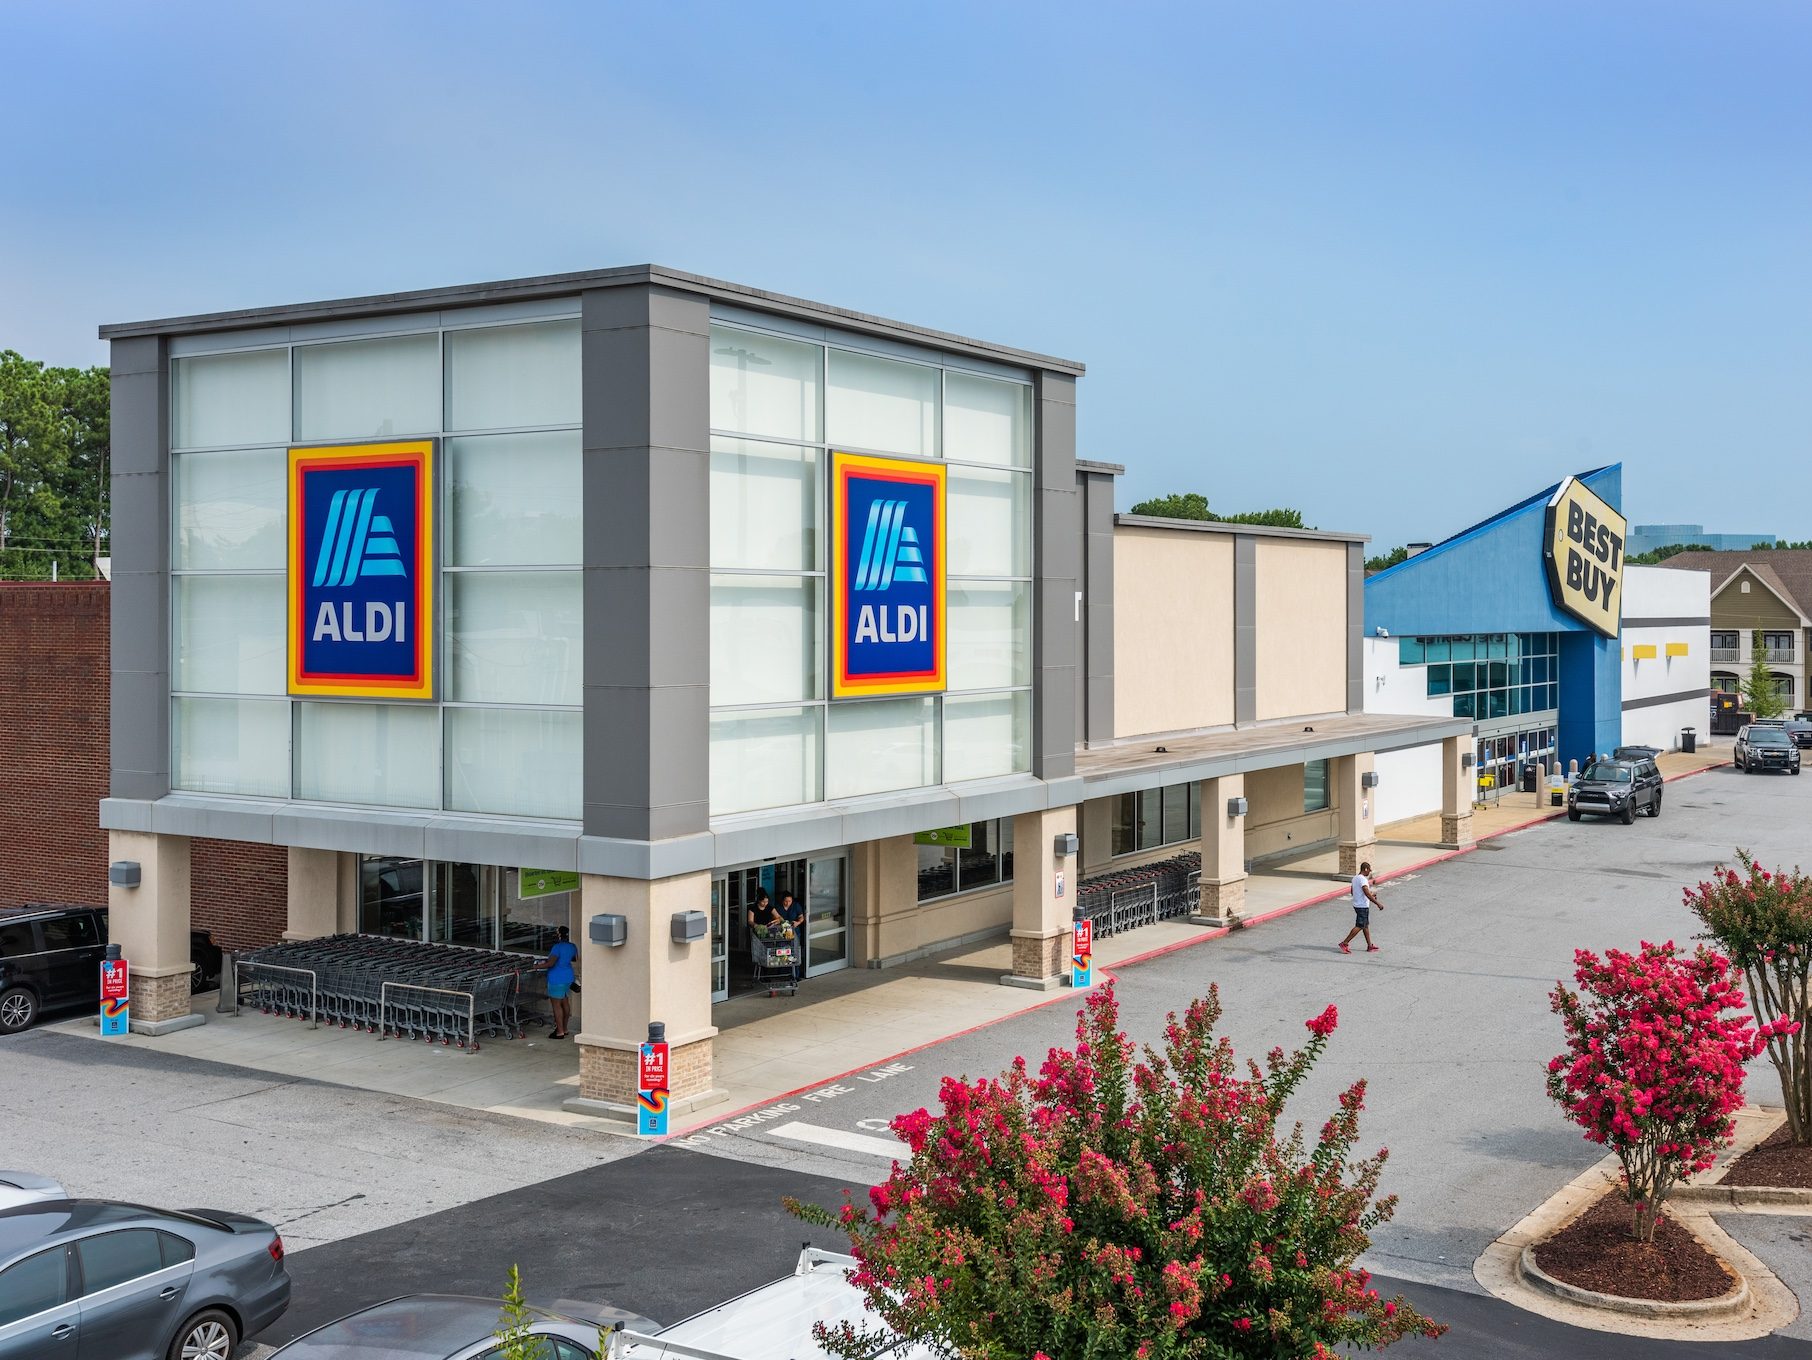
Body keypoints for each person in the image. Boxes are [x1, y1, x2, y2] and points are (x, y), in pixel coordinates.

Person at [540, 926, 578, 1038]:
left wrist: (536, 966)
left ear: (559, 935)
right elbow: (574, 958)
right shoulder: (572, 946)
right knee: (565, 1002)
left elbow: (550, 964)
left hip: (557, 978)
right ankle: (565, 1028)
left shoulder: (557, 947)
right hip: (568, 977)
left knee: (557, 1006)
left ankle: (559, 1031)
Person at [1337, 862, 1383, 954]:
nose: (1369, 872)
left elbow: (1353, 891)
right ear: (1365, 869)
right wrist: (1377, 903)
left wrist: (1370, 895)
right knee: (1360, 926)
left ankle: (1370, 946)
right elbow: (1366, 892)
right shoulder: (1363, 879)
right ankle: (1344, 943)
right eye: (1369, 870)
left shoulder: (1355, 878)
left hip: (1357, 904)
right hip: (1362, 906)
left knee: (1365, 925)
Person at [777, 890, 806, 984]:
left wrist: (797, 922)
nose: (788, 903)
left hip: (794, 932)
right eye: (786, 901)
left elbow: (801, 917)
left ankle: (795, 975)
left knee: (795, 953)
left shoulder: (796, 906)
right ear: (782, 901)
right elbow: (775, 919)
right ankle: (781, 973)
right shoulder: (778, 908)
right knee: (782, 952)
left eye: (790, 901)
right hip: (782, 933)